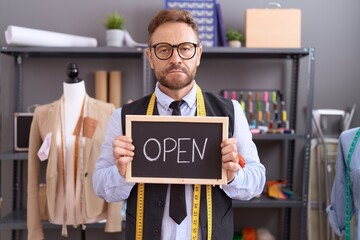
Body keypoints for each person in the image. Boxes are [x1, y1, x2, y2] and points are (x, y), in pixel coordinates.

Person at [92, 9, 266, 240]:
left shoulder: (231, 111)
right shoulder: (123, 117)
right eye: (164, 50)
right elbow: (100, 186)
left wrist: (233, 175)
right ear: (150, 58)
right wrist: (121, 173)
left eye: (185, 48)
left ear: (198, 55)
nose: (176, 59)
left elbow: (257, 181)